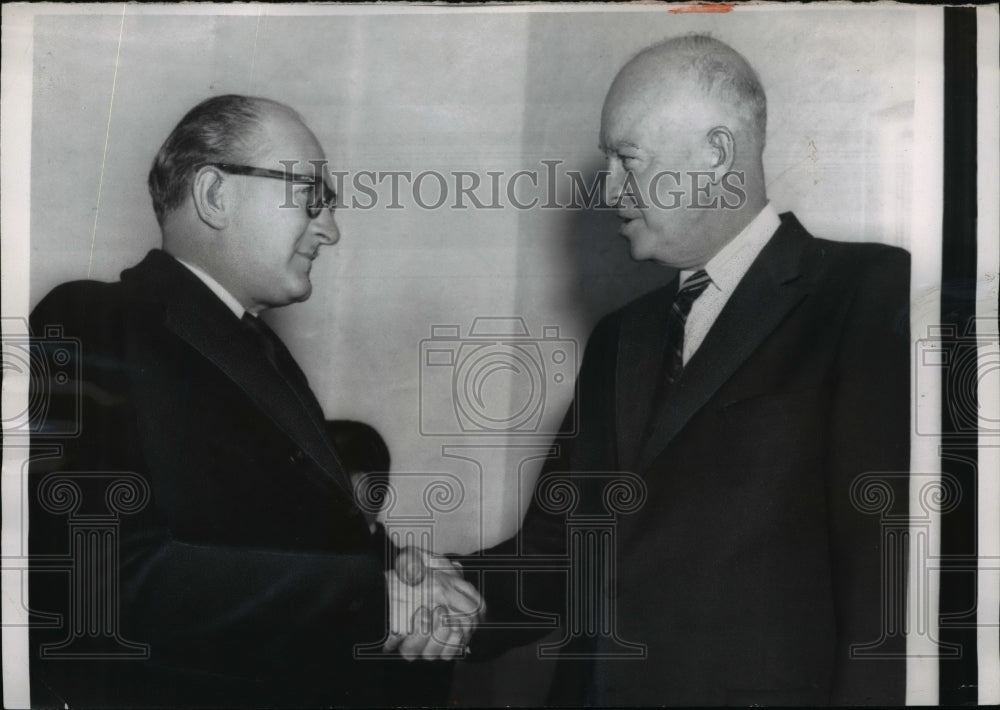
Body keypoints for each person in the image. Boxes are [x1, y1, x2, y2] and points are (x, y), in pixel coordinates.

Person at [461, 35, 910, 705]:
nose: (609, 190)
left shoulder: (866, 292)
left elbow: (883, 576)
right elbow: (560, 558)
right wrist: (417, 594)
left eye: (627, 159)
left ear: (717, 153)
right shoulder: (620, 337)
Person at [28, 95, 481, 708]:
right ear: (216, 195)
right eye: (310, 195)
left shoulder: (257, 348)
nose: (330, 228)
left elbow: (285, 531)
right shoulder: (90, 320)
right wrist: (370, 594)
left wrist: (400, 568)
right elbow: (99, 577)